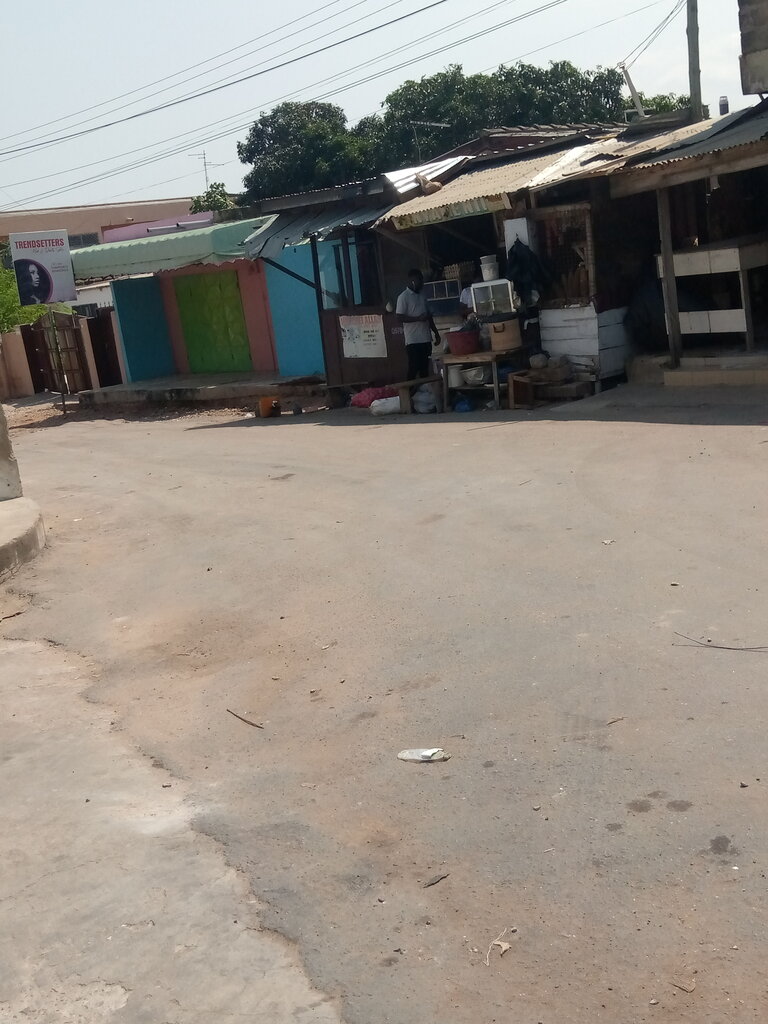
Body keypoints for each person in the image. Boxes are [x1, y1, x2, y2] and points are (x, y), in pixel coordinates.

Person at [396, 268, 440, 380]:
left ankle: (424, 393)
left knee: (425, 368)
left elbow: (429, 316)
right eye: (419, 280)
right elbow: (399, 317)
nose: (422, 283)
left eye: (422, 280)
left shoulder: (422, 295)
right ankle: (409, 393)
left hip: (425, 338)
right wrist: (417, 318)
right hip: (413, 340)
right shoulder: (403, 297)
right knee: (413, 367)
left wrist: (436, 332)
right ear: (412, 280)